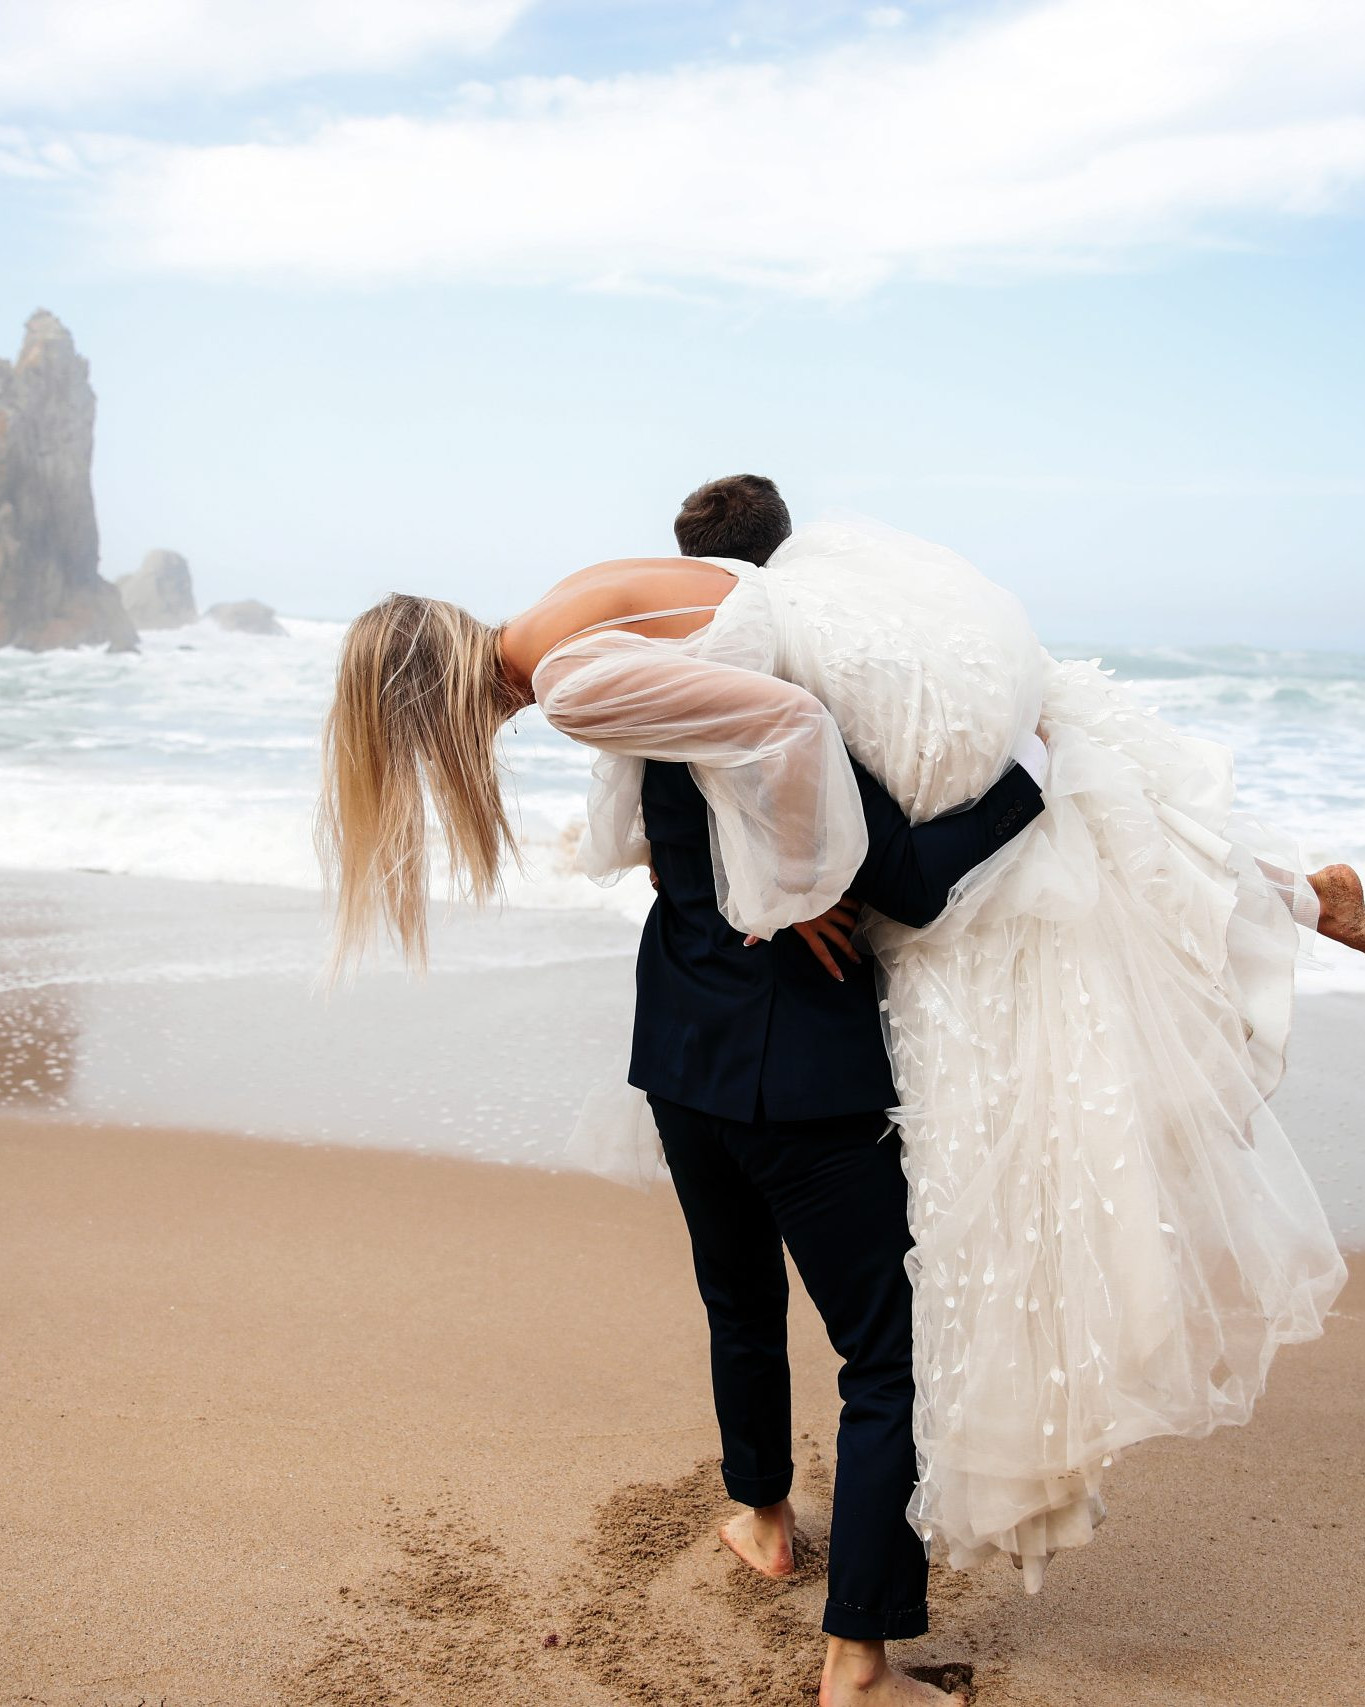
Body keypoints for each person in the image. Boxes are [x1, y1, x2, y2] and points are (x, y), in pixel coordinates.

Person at [318, 487, 1360, 1696]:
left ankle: (761, 1519)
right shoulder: (629, 669)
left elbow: (732, 814)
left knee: (740, 1300)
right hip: (797, 1081)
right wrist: (1021, 778)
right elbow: (905, 883)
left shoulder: (633, 714)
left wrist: (804, 879)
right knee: (888, 1361)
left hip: (681, 1055)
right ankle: (858, 1657)